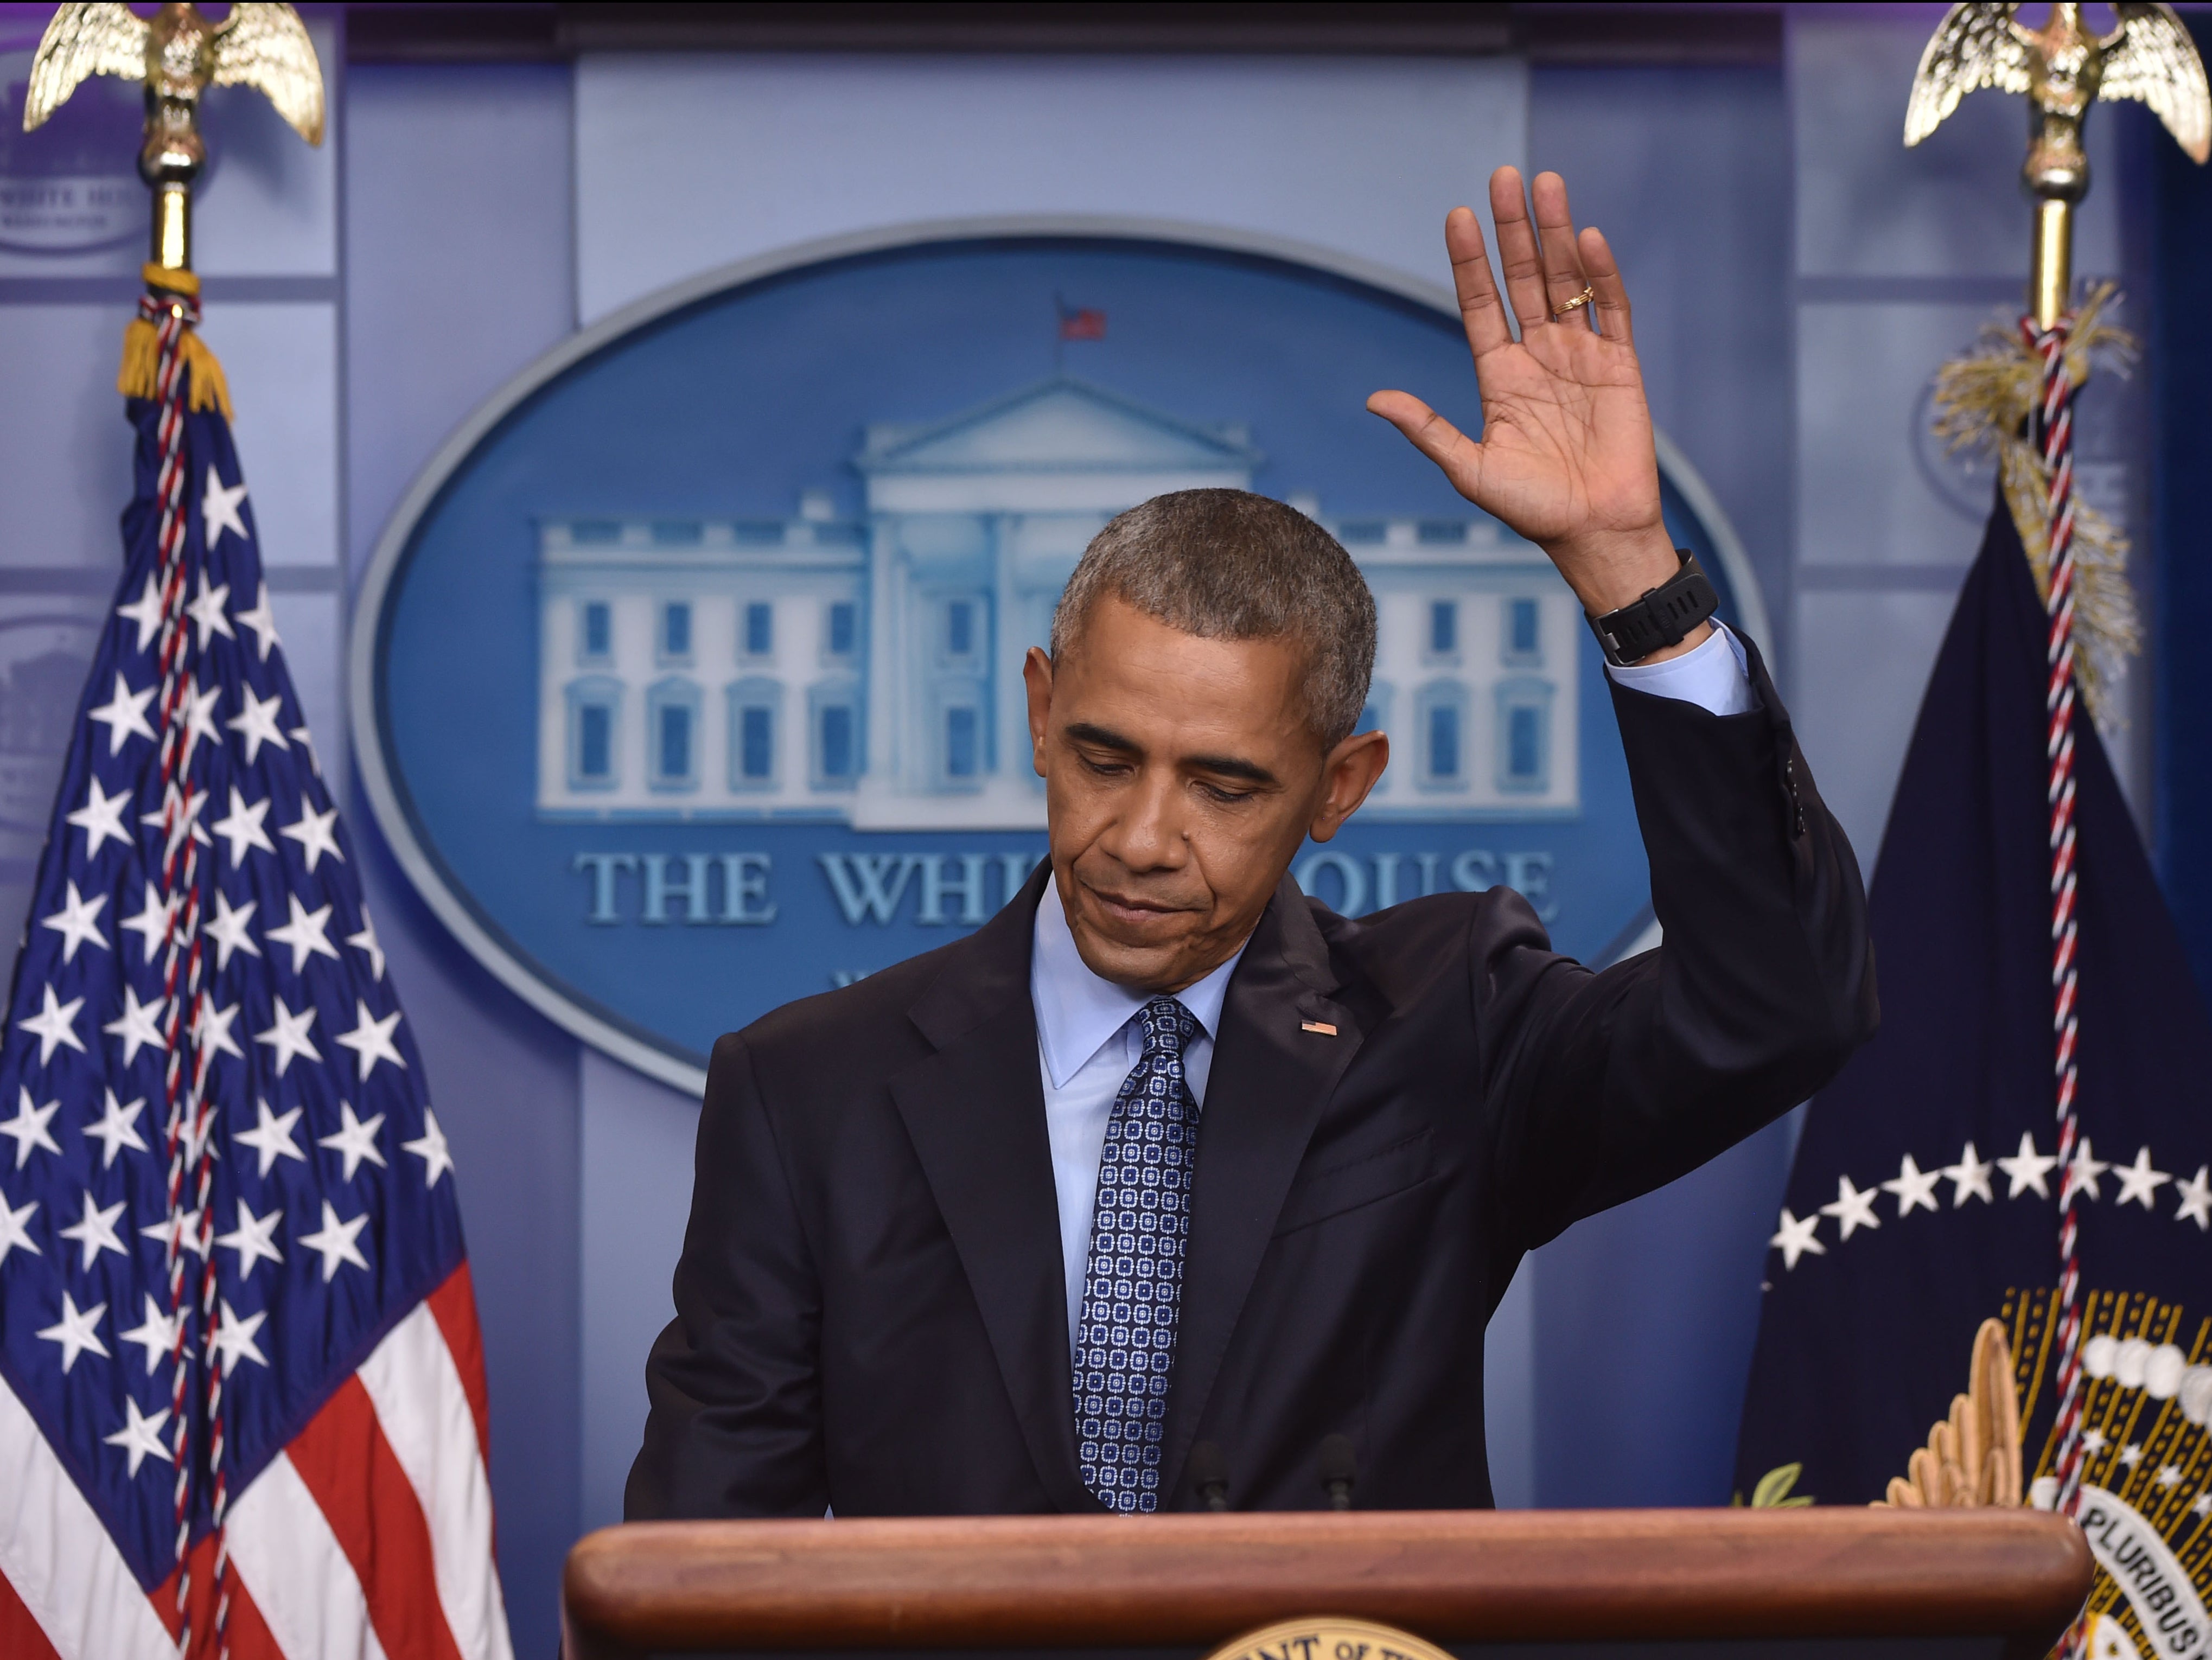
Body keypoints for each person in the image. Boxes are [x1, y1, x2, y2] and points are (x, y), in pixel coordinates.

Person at [626, 168, 1876, 1517]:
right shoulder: (810, 1093)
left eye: (1222, 787)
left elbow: (1781, 1008)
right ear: (1042, 712)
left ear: (1338, 787)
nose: (1144, 838)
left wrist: (1632, 573)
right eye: (1105, 758)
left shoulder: (1446, 1029)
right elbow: (704, 1563)